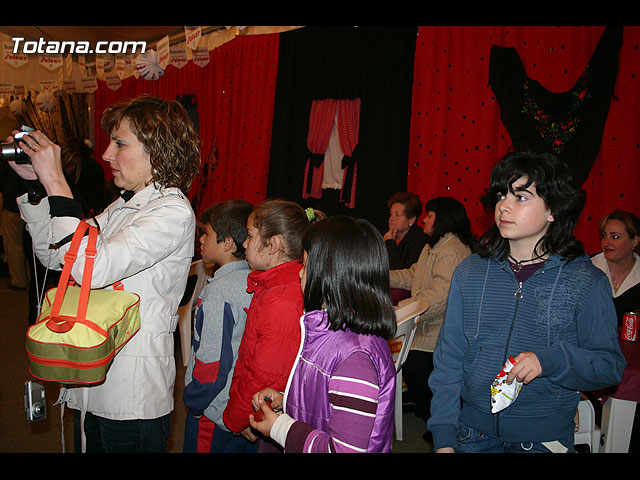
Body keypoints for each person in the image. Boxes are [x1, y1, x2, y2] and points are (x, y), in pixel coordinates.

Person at [8, 94, 201, 453]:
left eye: (120, 143)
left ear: (157, 151)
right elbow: (57, 256)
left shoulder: (171, 212)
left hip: (131, 393)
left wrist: (57, 181)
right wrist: (38, 188)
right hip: (91, 377)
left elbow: (90, 269)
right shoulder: (124, 205)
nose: (107, 155)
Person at [427, 151, 626, 453]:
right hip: (471, 435)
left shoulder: (585, 281)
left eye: (521, 197)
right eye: (501, 195)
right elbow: (449, 359)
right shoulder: (470, 272)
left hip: (543, 440)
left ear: (553, 210)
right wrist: (443, 437)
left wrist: (551, 361)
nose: (504, 206)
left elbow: (608, 367)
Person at [249, 215, 397, 453]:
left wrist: (280, 427)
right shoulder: (332, 334)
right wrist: (288, 400)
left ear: (329, 275)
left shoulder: (355, 360)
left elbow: (344, 450)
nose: (300, 274)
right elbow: (329, 401)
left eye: (306, 265)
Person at [222, 199, 308, 451]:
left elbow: (266, 375)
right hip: (259, 411)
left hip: (266, 414)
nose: (244, 243)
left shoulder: (282, 299)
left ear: (273, 245)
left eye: (250, 236)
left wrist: (234, 418)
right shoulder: (273, 286)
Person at [389, 197, 474, 427]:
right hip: (426, 327)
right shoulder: (433, 247)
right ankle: (435, 423)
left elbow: (439, 298)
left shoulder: (452, 250)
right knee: (411, 366)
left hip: (442, 332)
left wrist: (404, 308)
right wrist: (380, 275)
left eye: (429, 216)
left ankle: (441, 425)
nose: (424, 220)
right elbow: (412, 275)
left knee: (415, 367)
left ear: (443, 219)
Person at [183, 200, 255, 453]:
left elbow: (211, 362)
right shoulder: (250, 279)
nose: (201, 240)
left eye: (207, 233)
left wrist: (196, 403)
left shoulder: (220, 292)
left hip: (214, 411)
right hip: (240, 406)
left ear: (228, 243)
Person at [591, 209, 640, 326]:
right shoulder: (588, 268)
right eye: (604, 236)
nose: (606, 243)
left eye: (615, 237)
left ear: (635, 241)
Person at [384, 192, 429, 271]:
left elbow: (403, 272)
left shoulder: (420, 241)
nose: (391, 219)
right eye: (391, 214)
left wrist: (389, 244)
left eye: (397, 215)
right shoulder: (385, 235)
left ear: (411, 220)